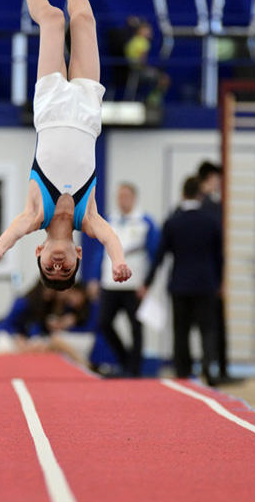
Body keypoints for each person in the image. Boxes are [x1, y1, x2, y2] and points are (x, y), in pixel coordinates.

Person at [0, 0, 132, 290]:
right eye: (66, 270)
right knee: (84, 21)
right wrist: (119, 261)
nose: (58, 266)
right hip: (86, 112)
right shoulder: (89, 218)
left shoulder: (36, 216)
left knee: (52, 21)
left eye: (50, 269)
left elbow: (14, 229)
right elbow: (111, 239)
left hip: (50, 110)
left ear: (39, 254)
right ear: (80, 256)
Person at [141, 175, 222, 386]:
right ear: (200, 195)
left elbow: (159, 256)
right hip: (205, 283)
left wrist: (147, 283)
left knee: (181, 331)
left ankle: (182, 372)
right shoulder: (211, 221)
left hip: (180, 284)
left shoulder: (173, 221)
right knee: (208, 329)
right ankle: (208, 368)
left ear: (183, 194)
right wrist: (220, 282)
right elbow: (219, 256)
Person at [89, 182, 159, 376]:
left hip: (134, 285)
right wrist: (94, 278)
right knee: (104, 323)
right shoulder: (109, 221)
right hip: (109, 283)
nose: (123, 200)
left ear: (134, 198)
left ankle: (135, 369)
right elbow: (99, 252)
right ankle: (124, 360)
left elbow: (155, 255)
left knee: (136, 327)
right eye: (119, 196)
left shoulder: (146, 222)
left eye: (126, 196)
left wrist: (147, 283)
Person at [197, 160, 238, 384]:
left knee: (214, 325)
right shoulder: (209, 207)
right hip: (208, 275)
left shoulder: (206, 204)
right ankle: (213, 370)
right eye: (217, 179)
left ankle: (219, 369)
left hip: (205, 273)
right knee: (210, 326)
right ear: (209, 179)